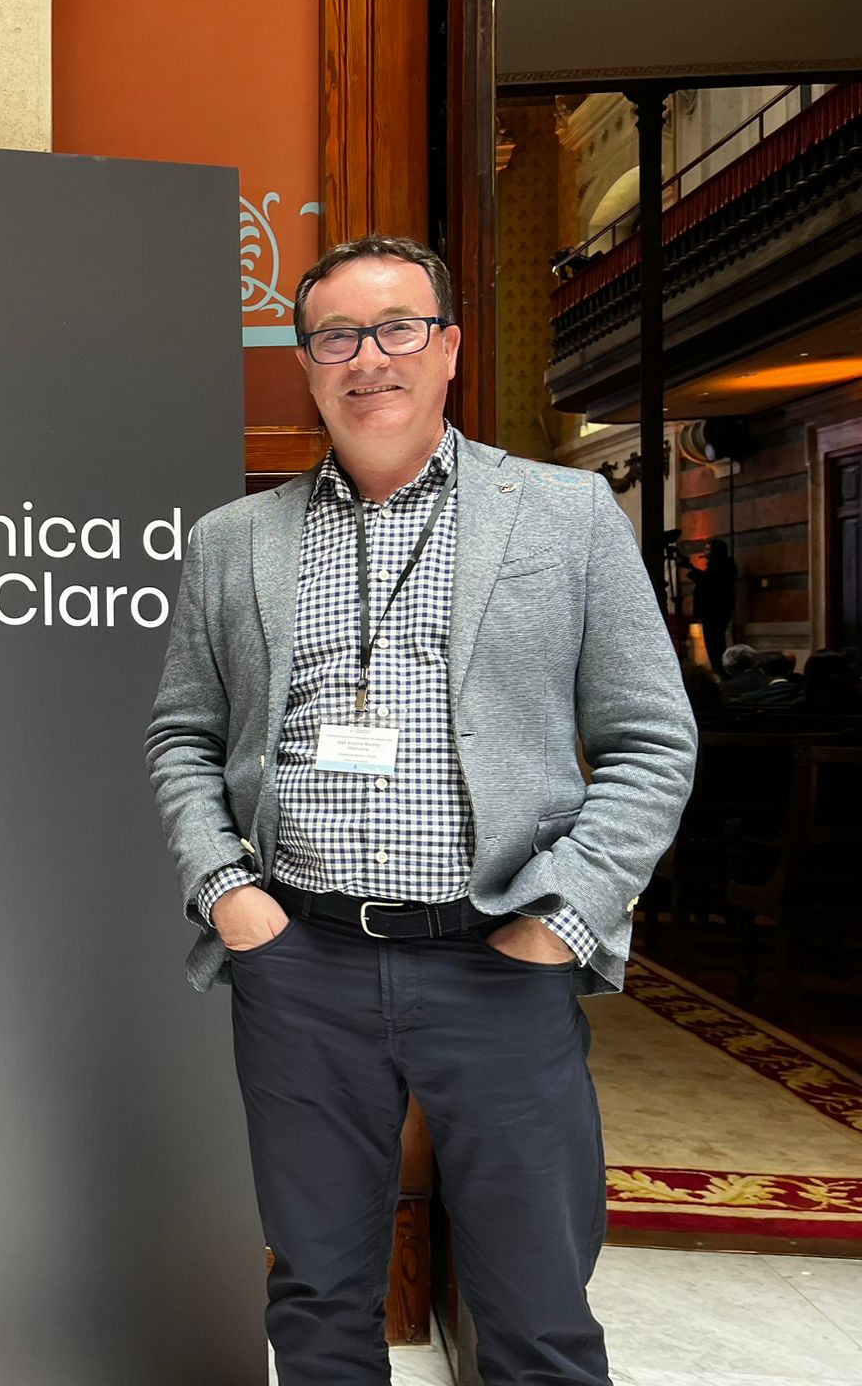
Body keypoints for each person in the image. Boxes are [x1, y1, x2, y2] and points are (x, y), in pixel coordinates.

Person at [146, 235, 696, 1385]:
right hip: (301, 964)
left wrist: (562, 918)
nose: (367, 359)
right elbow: (182, 738)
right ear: (306, 365)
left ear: (446, 348)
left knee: (537, 1310)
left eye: (398, 327)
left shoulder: (564, 514)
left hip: (499, 960)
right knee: (314, 1296)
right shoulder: (230, 542)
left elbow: (652, 742)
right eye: (335, 337)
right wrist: (227, 894)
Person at [687, 537, 737, 659]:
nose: (705, 552)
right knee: (713, 642)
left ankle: (719, 669)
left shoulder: (723, 566)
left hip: (715, 611)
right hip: (712, 611)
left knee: (715, 642)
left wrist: (692, 571)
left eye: (708, 549)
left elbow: (709, 582)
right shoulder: (718, 566)